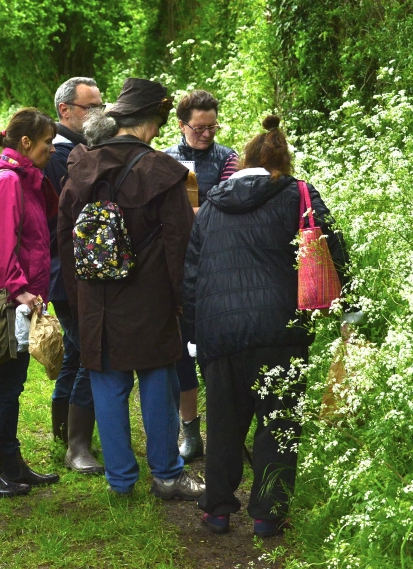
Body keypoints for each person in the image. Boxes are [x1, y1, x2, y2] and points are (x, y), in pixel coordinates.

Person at [182, 116, 348, 537]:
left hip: (219, 331)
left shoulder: (212, 204)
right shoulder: (299, 194)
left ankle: (217, 509)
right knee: (279, 420)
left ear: (244, 161)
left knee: (222, 422)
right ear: (283, 160)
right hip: (281, 329)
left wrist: (193, 334)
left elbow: (192, 274)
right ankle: (268, 515)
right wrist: (352, 309)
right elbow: (333, 248)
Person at [58, 78, 205, 500]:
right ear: (153, 122)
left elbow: (65, 240)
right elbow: (182, 246)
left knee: (108, 386)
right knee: (158, 386)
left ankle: (121, 481)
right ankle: (166, 475)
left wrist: (79, 295)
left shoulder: (81, 166)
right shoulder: (162, 172)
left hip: (96, 301)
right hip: (150, 301)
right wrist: (185, 304)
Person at [0, 107, 61, 498]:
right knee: (6, 387)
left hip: (23, 297)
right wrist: (21, 289)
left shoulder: (24, 179)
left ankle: (11, 463)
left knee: (12, 384)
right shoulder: (7, 180)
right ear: (26, 142)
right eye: (47, 142)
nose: (52, 149)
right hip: (10, 298)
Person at [163, 89, 239, 464]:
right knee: (181, 353)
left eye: (212, 127)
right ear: (181, 125)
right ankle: (189, 430)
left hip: (216, 265)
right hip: (177, 268)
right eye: (199, 128)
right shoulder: (164, 159)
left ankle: (229, 428)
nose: (207, 134)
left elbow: (230, 204)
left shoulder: (228, 158)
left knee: (219, 350)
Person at [43, 77, 105, 476]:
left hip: (68, 270)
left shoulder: (80, 150)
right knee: (88, 351)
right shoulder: (59, 155)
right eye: (91, 107)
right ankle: (76, 445)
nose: (99, 114)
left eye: (101, 106)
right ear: (65, 110)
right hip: (65, 270)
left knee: (76, 351)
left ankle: (65, 433)